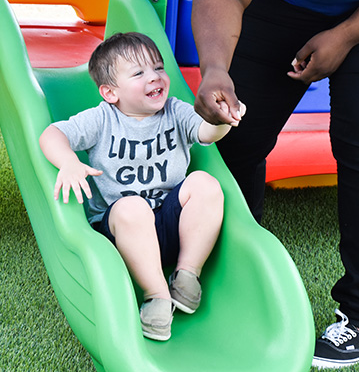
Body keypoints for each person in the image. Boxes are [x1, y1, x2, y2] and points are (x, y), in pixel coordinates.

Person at [191, 0, 359, 368]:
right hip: (280, 1)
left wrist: (346, 35)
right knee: (232, 136)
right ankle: (234, 278)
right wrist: (216, 68)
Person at [40, 32, 245, 341]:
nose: (155, 77)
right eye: (139, 73)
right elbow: (52, 134)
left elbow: (204, 132)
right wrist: (68, 161)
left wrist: (221, 119)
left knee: (206, 184)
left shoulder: (175, 111)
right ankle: (157, 296)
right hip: (122, 233)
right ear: (110, 93)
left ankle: (187, 274)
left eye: (159, 68)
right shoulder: (102, 119)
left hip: (171, 223)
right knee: (132, 206)